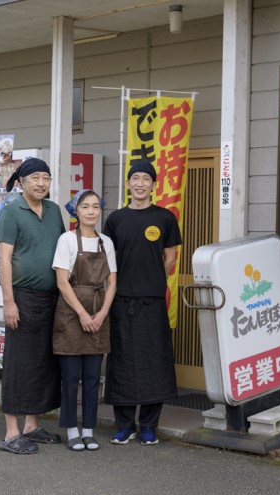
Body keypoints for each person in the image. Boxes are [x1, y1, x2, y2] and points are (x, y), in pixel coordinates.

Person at [102, 161, 182, 446]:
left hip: (153, 300)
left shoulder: (165, 217)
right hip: (121, 300)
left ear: (153, 185)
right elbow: (107, 260)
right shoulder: (115, 219)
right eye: (134, 178)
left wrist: (153, 277)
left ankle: (149, 425)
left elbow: (170, 256)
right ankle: (124, 425)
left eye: (145, 179)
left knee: (154, 363)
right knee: (122, 362)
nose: (139, 183)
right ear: (127, 183)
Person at [0, 157, 65, 455]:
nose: (41, 183)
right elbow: (5, 260)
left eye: (46, 178)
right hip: (22, 298)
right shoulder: (11, 213)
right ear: (21, 181)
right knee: (18, 364)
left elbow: (64, 252)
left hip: (52, 299)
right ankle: (11, 433)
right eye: (35, 177)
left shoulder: (53, 211)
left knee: (43, 363)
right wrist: (9, 302)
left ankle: (32, 425)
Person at [52, 189, 117, 452]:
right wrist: (81, 313)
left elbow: (112, 281)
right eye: (85, 207)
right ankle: (71, 430)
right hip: (71, 312)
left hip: (99, 309)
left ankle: (89, 430)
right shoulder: (66, 240)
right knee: (70, 377)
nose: (91, 212)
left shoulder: (107, 242)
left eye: (95, 207)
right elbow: (61, 282)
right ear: (75, 211)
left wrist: (102, 314)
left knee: (92, 377)